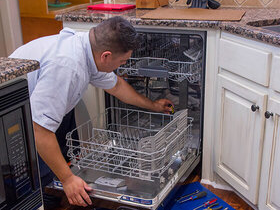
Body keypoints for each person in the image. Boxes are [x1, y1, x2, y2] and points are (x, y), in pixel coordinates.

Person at [9, 16, 173, 208]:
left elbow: (117, 86)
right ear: (106, 56)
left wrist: (153, 105)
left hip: (35, 106)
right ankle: (43, 198)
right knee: (33, 183)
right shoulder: (68, 67)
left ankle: (53, 189)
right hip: (14, 121)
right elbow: (40, 130)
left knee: (62, 130)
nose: (121, 66)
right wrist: (68, 179)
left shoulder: (87, 49)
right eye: (122, 61)